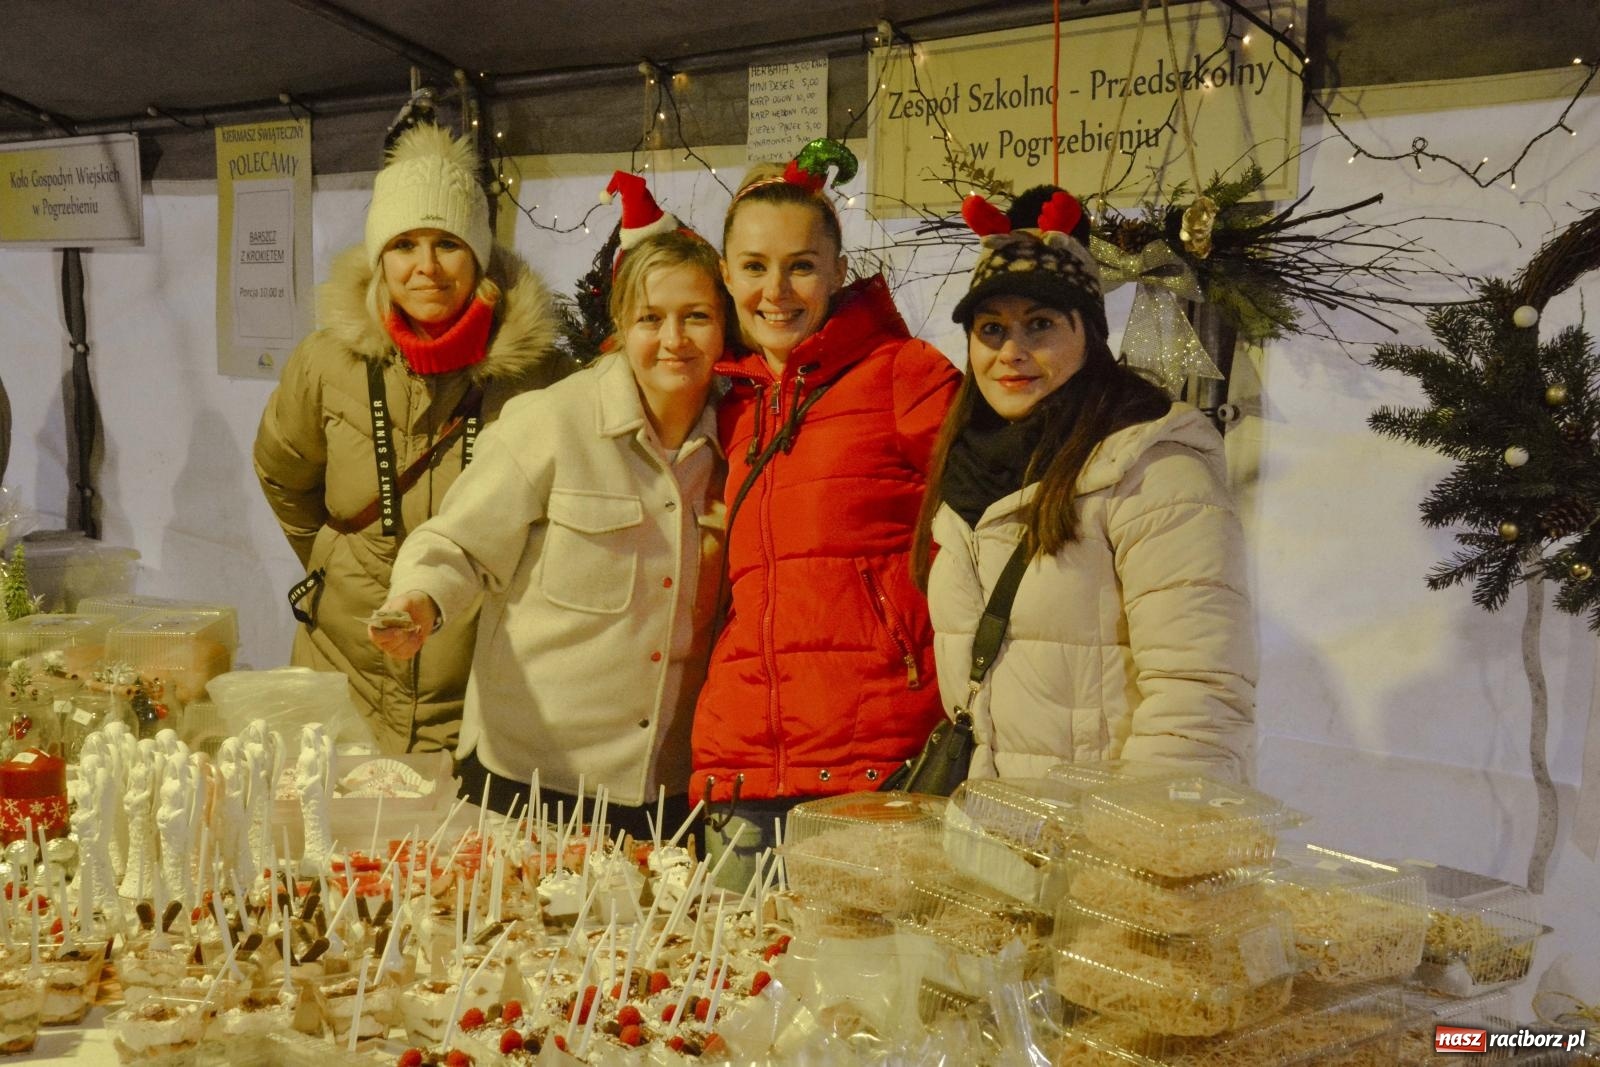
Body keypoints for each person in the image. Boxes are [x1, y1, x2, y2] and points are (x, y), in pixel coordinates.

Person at [370, 183, 729, 836]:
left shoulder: (738, 444)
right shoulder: (552, 421)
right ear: (621, 325)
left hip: (667, 788)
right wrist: (420, 599)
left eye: (696, 316)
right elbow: (457, 543)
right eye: (650, 318)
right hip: (531, 783)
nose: (673, 339)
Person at [916, 186, 1256, 783]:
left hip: (1099, 831)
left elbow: (1197, 705)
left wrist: (1127, 836)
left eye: (1040, 325)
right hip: (992, 827)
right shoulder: (966, 473)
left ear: (1089, 336)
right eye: (991, 329)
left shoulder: (1156, 474)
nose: (1011, 351)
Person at [692, 141, 962, 883]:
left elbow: (996, 520)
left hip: (874, 765)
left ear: (839, 271)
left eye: (802, 266)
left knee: (863, 959)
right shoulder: (730, 406)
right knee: (719, 955)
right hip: (741, 770)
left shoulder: (904, 373)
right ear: (726, 274)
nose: (776, 290)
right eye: (754, 266)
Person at [254, 123, 568, 754]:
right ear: (380, 258)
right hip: (340, 676)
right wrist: (340, 561)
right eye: (404, 245)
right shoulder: (326, 363)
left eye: (447, 243)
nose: (426, 267)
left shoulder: (541, 378)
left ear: (478, 256)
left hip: (475, 691)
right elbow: (283, 476)